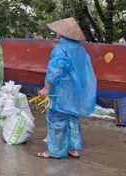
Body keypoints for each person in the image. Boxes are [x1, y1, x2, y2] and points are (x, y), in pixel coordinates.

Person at [36, 18, 97, 159]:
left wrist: (46, 87)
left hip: (61, 90)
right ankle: (74, 149)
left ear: (61, 33)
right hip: (75, 91)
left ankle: (55, 151)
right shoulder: (80, 49)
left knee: (57, 119)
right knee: (72, 118)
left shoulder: (61, 48)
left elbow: (56, 69)